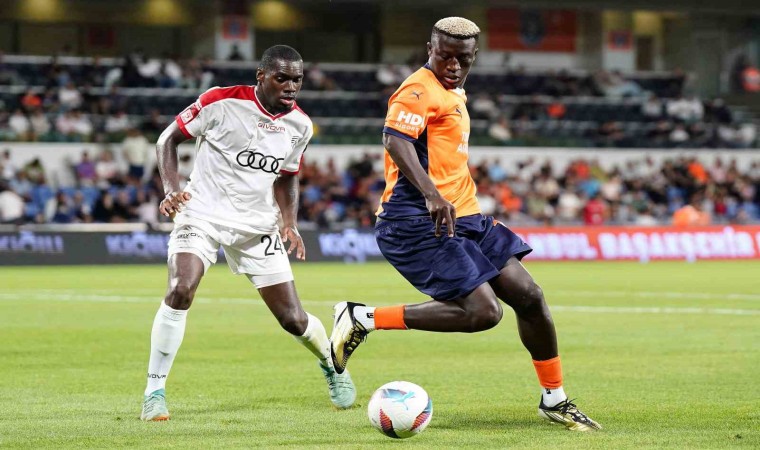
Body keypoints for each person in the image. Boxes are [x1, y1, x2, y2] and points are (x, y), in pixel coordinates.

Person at [329, 17, 600, 432]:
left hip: (466, 216)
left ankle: (554, 399)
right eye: (445, 56)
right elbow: (395, 140)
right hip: (416, 221)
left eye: (463, 58)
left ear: (474, 56)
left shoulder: (454, 90)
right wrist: (431, 194)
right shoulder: (417, 90)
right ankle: (363, 317)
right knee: (483, 313)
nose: (453, 65)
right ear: (430, 50)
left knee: (530, 296)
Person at [140, 45, 355, 422]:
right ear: (261, 75)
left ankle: (331, 363)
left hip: (257, 225)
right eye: (282, 78)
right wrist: (171, 189)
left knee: (293, 319)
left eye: (297, 80)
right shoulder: (219, 101)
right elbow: (167, 139)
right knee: (180, 289)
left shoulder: (300, 125)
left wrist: (289, 221)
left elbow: (288, 176)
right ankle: (153, 393)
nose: (291, 86)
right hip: (201, 213)